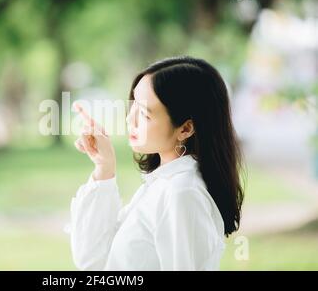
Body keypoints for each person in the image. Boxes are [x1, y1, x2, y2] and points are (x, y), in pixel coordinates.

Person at [67, 56, 245, 270]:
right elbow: (93, 261)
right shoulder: (161, 185)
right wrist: (104, 168)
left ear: (186, 129)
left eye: (143, 113)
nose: (129, 119)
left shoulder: (182, 193)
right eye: (133, 105)